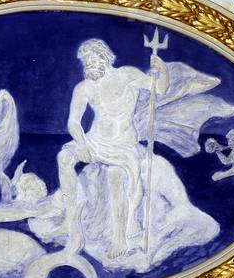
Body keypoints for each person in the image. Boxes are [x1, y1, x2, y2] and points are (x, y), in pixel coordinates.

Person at [56, 39, 169, 261]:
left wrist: (162, 69)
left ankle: (120, 239)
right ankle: (71, 218)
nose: (88, 64)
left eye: (91, 58)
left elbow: (160, 89)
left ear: (104, 57)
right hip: (95, 141)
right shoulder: (84, 87)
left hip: (123, 144)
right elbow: (73, 122)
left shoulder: (127, 74)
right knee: (64, 157)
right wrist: (82, 144)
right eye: (85, 61)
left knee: (115, 176)